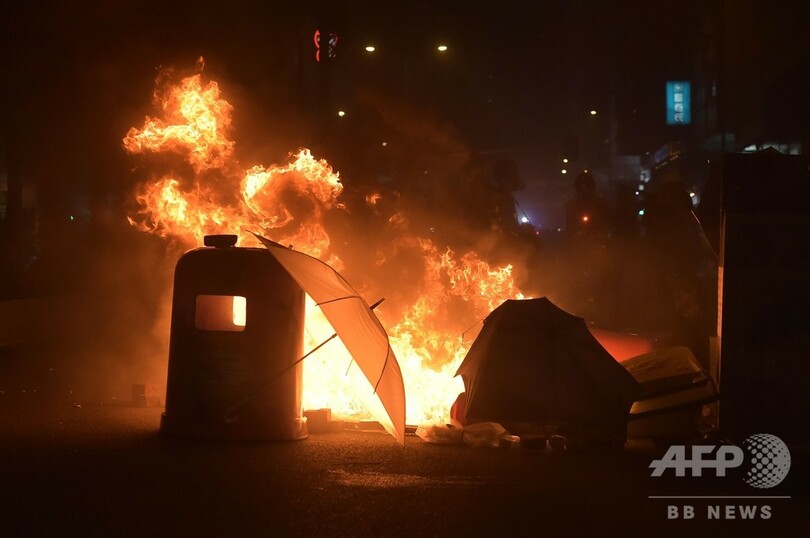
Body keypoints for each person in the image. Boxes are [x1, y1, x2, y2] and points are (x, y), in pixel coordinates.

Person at [565, 171, 608, 236]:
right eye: (581, 187)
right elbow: (569, 225)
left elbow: (604, 221)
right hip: (577, 238)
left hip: (596, 236)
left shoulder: (600, 203)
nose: (584, 189)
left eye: (586, 186)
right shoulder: (571, 205)